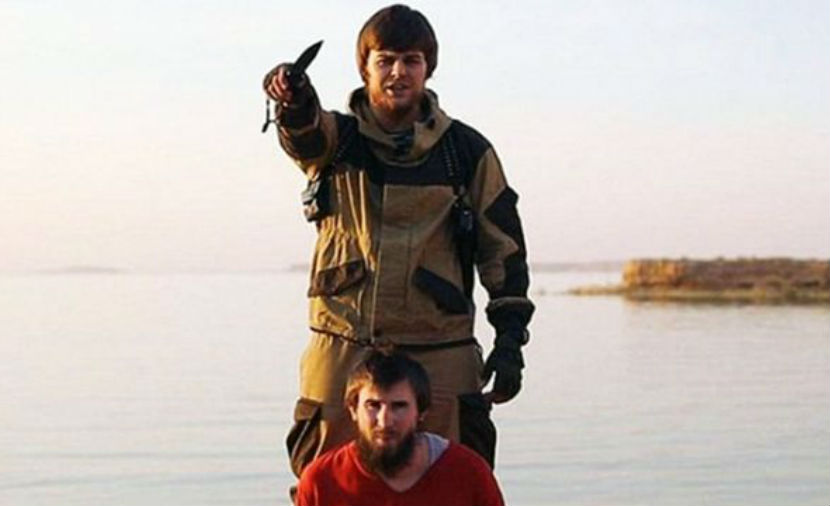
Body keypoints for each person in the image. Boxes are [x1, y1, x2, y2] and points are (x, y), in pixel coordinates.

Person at [263, 4, 534, 477]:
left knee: (459, 477)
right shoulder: (337, 141)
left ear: (428, 68)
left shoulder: (466, 152)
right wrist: (294, 100)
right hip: (343, 340)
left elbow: (503, 251)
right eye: (385, 60)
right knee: (322, 479)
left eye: (411, 60)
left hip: (440, 344)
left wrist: (510, 343)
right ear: (364, 67)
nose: (397, 72)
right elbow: (304, 135)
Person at [296, 352, 505, 506]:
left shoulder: (468, 474)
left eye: (399, 406)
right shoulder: (321, 481)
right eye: (373, 405)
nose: (385, 421)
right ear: (353, 409)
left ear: (421, 412)